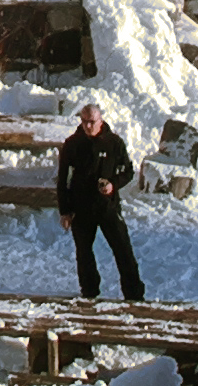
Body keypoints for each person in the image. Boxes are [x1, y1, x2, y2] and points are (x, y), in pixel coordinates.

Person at [56, 101, 144, 303]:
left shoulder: (113, 143)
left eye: (92, 122)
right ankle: (89, 293)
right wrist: (65, 211)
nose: (88, 126)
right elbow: (63, 180)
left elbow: (128, 171)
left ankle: (134, 294)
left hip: (107, 206)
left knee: (123, 249)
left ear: (101, 120)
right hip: (82, 207)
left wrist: (113, 184)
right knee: (84, 253)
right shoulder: (72, 144)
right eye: (84, 121)